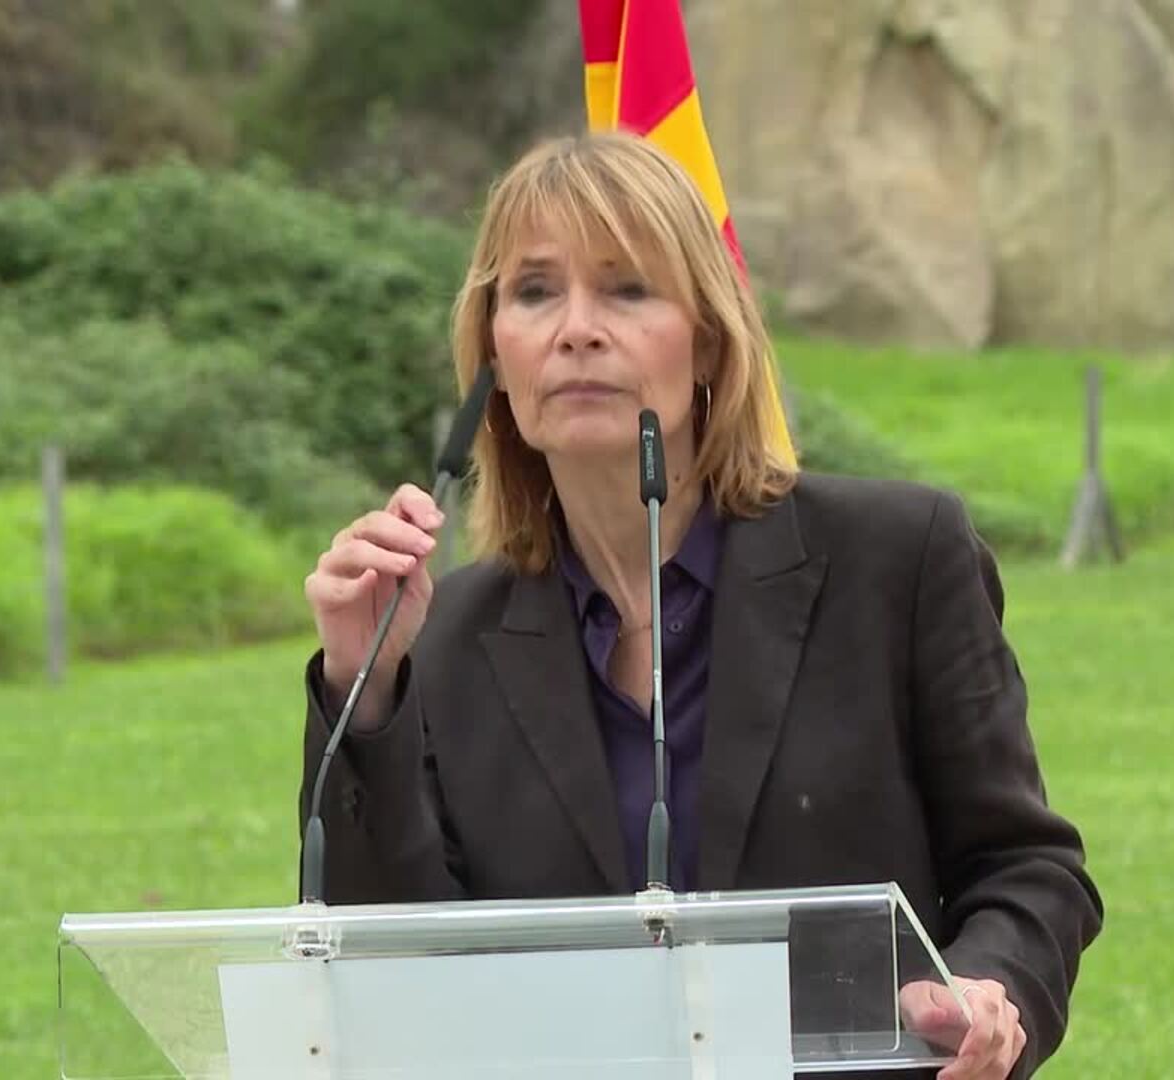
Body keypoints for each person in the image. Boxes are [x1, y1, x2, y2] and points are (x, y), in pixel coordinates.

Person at [299, 132, 1102, 1080]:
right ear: (494, 363)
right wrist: (365, 687)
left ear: (710, 341)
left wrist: (989, 989)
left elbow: (1026, 871)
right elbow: (386, 971)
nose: (577, 329)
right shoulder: (441, 639)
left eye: (628, 290)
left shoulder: (899, 558)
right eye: (535, 291)